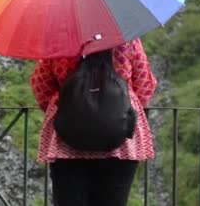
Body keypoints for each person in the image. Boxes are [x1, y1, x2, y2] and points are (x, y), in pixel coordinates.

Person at [30, 38, 157, 206]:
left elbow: (41, 85)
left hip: (68, 139)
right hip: (120, 140)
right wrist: (122, 111)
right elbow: (145, 84)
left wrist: (65, 109)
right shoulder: (127, 40)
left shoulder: (59, 42)